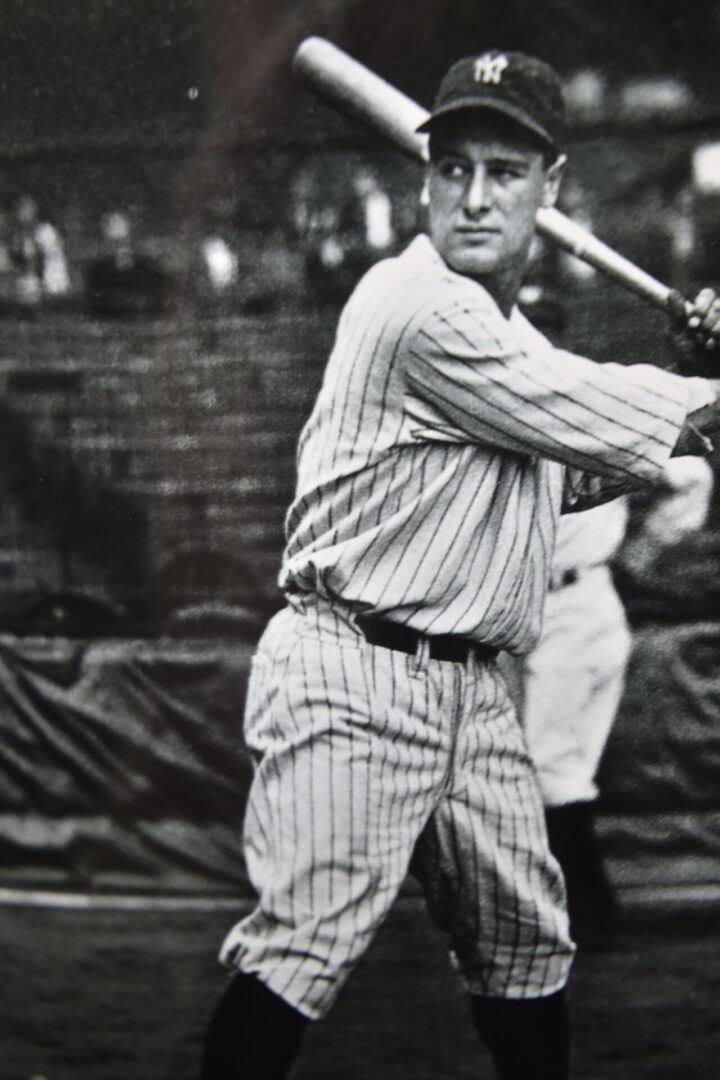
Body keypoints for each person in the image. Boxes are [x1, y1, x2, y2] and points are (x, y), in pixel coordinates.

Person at [201, 50, 720, 1080]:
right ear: (425, 178)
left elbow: (553, 473)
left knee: (528, 952)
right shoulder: (416, 305)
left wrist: (702, 382)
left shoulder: (504, 329)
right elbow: (578, 406)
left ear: (550, 187)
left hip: (472, 689)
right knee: (302, 948)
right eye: (454, 168)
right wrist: (704, 397)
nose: (476, 196)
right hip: (353, 675)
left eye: (505, 172)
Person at [516, 453, 713, 936]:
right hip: (514, 609)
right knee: (530, 763)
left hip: (576, 599)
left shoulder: (597, 431)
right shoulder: (507, 424)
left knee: (550, 766)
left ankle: (582, 912)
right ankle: (565, 909)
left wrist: (647, 546)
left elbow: (691, 473)